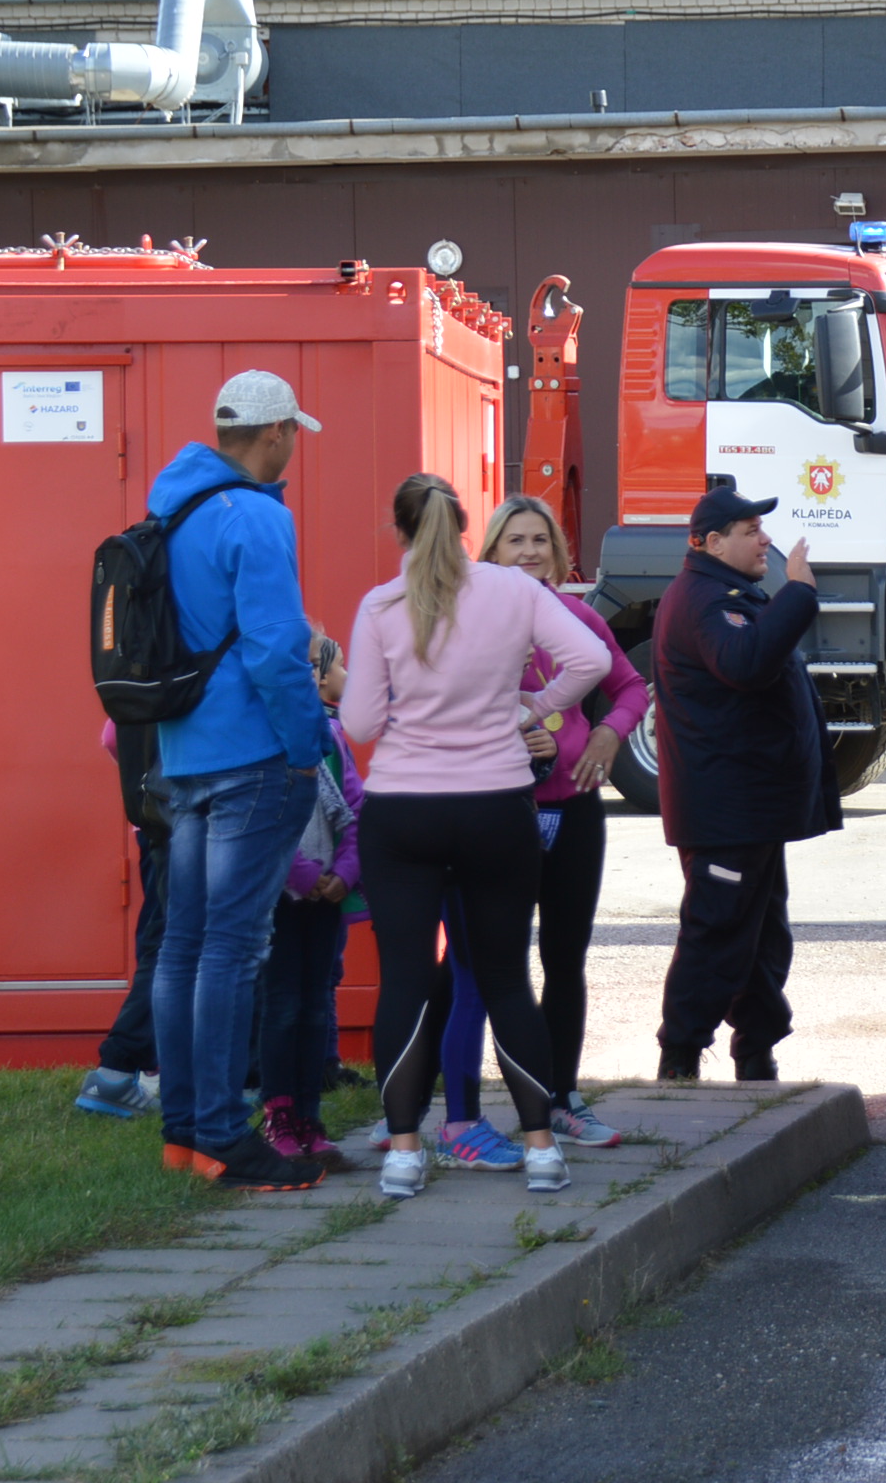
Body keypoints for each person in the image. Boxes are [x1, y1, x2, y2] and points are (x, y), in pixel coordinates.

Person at [337, 473, 607, 1200]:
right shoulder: (512, 590)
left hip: (403, 808)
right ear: (465, 529)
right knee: (505, 976)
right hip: (496, 803)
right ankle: (542, 1148)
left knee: (405, 980)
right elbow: (591, 661)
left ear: (400, 531)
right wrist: (532, 710)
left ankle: (403, 1152)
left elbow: (359, 723)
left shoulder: (382, 604)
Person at [146, 369, 337, 1191]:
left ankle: (185, 1132)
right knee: (233, 947)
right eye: (292, 435)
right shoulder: (255, 516)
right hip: (252, 756)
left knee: (184, 945)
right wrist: (306, 745)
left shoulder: (172, 506)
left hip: (184, 754)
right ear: (276, 433)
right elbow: (275, 646)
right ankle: (227, 1136)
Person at [651, 488, 842, 1082]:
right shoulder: (707, 600)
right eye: (751, 530)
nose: (766, 539)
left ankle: (756, 1055)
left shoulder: (724, 592)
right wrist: (799, 594)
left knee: (760, 935)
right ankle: (679, 1062)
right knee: (718, 930)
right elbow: (746, 663)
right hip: (726, 812)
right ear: (712, 543)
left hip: (748, 810)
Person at [484, 494, 648, 1145]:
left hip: (575, 809)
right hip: (501, 812)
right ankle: (495, 1104)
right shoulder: (472, 623)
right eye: (515, 540)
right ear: (491, 553)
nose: (528, 552)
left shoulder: (579, 618)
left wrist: (609, 733)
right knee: (496, 963)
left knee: (565, 957)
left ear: (557, 553)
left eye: (539, 541)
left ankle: (563, 1098)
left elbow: (631, 688)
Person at [255, 635, 358, 1165]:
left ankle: (310, 1117)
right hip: (280, 896)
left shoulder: (327, 739)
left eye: (313, 666)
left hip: (325, 896)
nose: (311, 676)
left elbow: (354, 809)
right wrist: (305, 874)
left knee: (316, 1002)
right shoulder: (262, 739)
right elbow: (265, 822)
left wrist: (345, 872)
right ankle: (279, 1115)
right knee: (282, 1007)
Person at [74, 717, 165, 1121]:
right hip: (191, 822)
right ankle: (118, 1068)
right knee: (172, 946)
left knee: (158, 941)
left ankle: (137, 1066)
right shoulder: (193, 681)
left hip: (153, 818)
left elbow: (112, 736)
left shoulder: (149, 685)